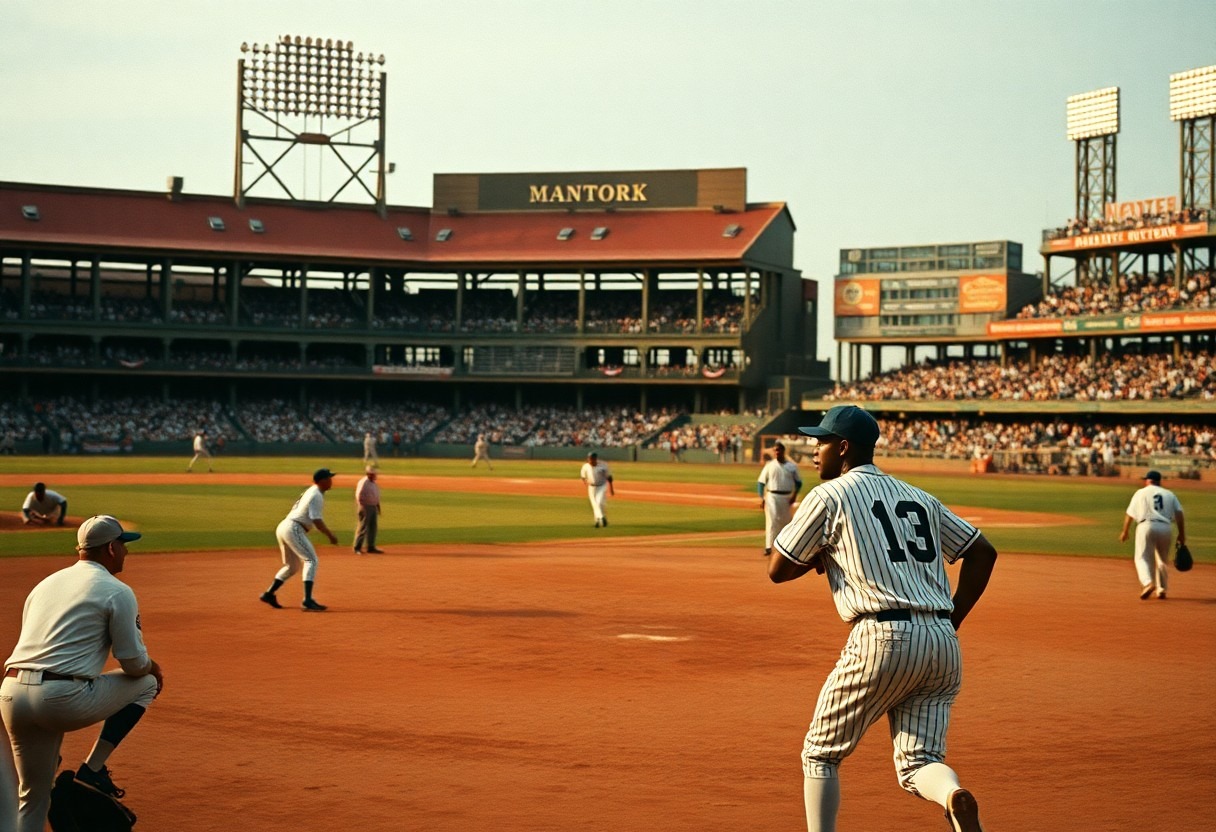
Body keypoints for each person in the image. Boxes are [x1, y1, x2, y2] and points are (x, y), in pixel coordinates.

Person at [767, 404, 998, 832]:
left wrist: (821, 551)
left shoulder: (829, 494)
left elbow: (778, 569)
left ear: (843, 447)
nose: (813, 450)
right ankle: (952, 795)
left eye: (820, 442)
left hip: (882, 637)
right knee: (920, 763)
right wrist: (955, 616)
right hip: (943, 641)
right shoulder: (920, 496)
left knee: (820, 753)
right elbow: (982, 552)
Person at [1, 515, 164, 832]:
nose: (127, 551)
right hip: (60, 700)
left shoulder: (45, 584)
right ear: (111, 549)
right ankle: (93, 770)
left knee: (33, 799)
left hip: (11, 695)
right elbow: (132, 661)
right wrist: (153, 667)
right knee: (146, 682)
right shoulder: (117, 591)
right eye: (123, 544)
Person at [260, 468, 339, 612]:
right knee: (311, 560)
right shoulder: (317, 495)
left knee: (292, 567)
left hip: (284, 526)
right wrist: (330, 535)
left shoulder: (312, 490)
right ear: (322, 481)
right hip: (294, 528)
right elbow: (316, 519)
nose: (331, 480)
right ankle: (307, 600)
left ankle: (269, 594)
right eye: (329, 478)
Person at [1119, 469, 1185, 600]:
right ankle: (1161, 590)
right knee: (1162, 560)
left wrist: (1125, 531)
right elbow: (1179, 514)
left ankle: (1147, 583)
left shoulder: (1140, 493)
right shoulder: (1169, 494)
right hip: (1165, 527)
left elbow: (1130, 514)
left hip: (1146, 526)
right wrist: (1182, 534)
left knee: (1141, 558)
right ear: (1159, 482)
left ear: (1148, 481)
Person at [757, 440, 801, 556]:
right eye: (775, 450)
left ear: (783, 451)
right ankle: (769, 547)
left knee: (786, 522)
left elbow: (799, 483)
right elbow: (761, 483)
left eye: (779, 450)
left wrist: (794, 495)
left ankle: (785, 546)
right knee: (772, 521)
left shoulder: (792, 467)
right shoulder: (769, 465)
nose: (777, 452)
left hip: (786, 497)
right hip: (772, 496)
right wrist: (762, 497)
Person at [353, 467, 384, 555]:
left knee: (373, 527)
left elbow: (376, 496)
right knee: (363, 527)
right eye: (373, 474)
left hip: (373, 506)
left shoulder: (373, 483)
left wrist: (378, 507)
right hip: (365, 507)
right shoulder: (363, 482)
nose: (375, 475)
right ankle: (357, 547)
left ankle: (371, 547)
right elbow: (358, 495)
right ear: (369, 474)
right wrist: (362, 507)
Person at [579, 452, 614, 528]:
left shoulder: (603, 465)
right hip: (591, 487)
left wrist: (611, 489)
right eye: (589, 459)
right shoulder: (586, 466)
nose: (590, 461)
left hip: (601, 486)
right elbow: (583, 476)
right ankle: (597, 521)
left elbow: (609, 478)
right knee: (595, 504)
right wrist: (585, 482)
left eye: (591, 459)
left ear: (595, 459)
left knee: (599, 502)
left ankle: (601, 517)